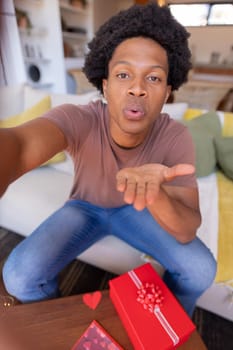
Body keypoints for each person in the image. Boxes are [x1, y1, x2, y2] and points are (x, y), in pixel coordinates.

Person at [1, 3, 216, 317]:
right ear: (105, 84)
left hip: (136, 211)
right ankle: (57, 323)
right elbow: (20, 144)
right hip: (84, 207)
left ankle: (168, 323)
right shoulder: (79, 118)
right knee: (19, 276)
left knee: (200, 269)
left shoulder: (175, 136)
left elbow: (186, 229)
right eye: (123, 74)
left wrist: (155, 196)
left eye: (154, 79)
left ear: (168, 92)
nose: (137, 89)